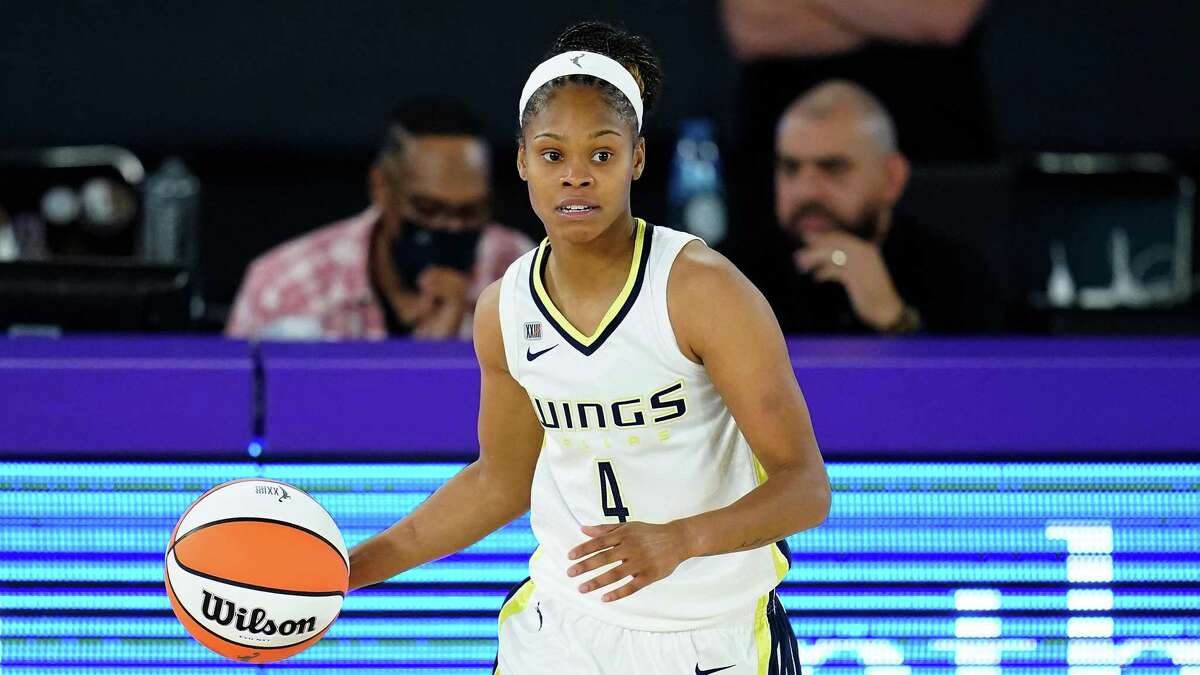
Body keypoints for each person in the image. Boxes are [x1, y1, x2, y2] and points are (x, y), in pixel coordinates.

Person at [347, 21, 830, 675]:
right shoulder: (505, 308)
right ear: (521, 160)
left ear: (635, 158)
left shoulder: (702, 290)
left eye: (600, 155)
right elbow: (499, 480)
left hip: (711, 633)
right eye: (552, 155)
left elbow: (806, 488)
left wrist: (681, 540)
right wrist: (350, 569)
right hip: (560, 632)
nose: (576, 177)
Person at [226, 99, 533, 340]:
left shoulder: (522, 275)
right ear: (382, 188)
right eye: (428, 208)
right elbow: (233, 410)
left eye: (469, 211)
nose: (450, 227)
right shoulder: (285, 286)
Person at [743, 79, 992, 333]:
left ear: (892, 178)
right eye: (790, 168)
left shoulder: (955, 276)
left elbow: (975, 372)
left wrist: (894, 317)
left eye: (833, 169)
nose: (806, 190)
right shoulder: (736, 273)